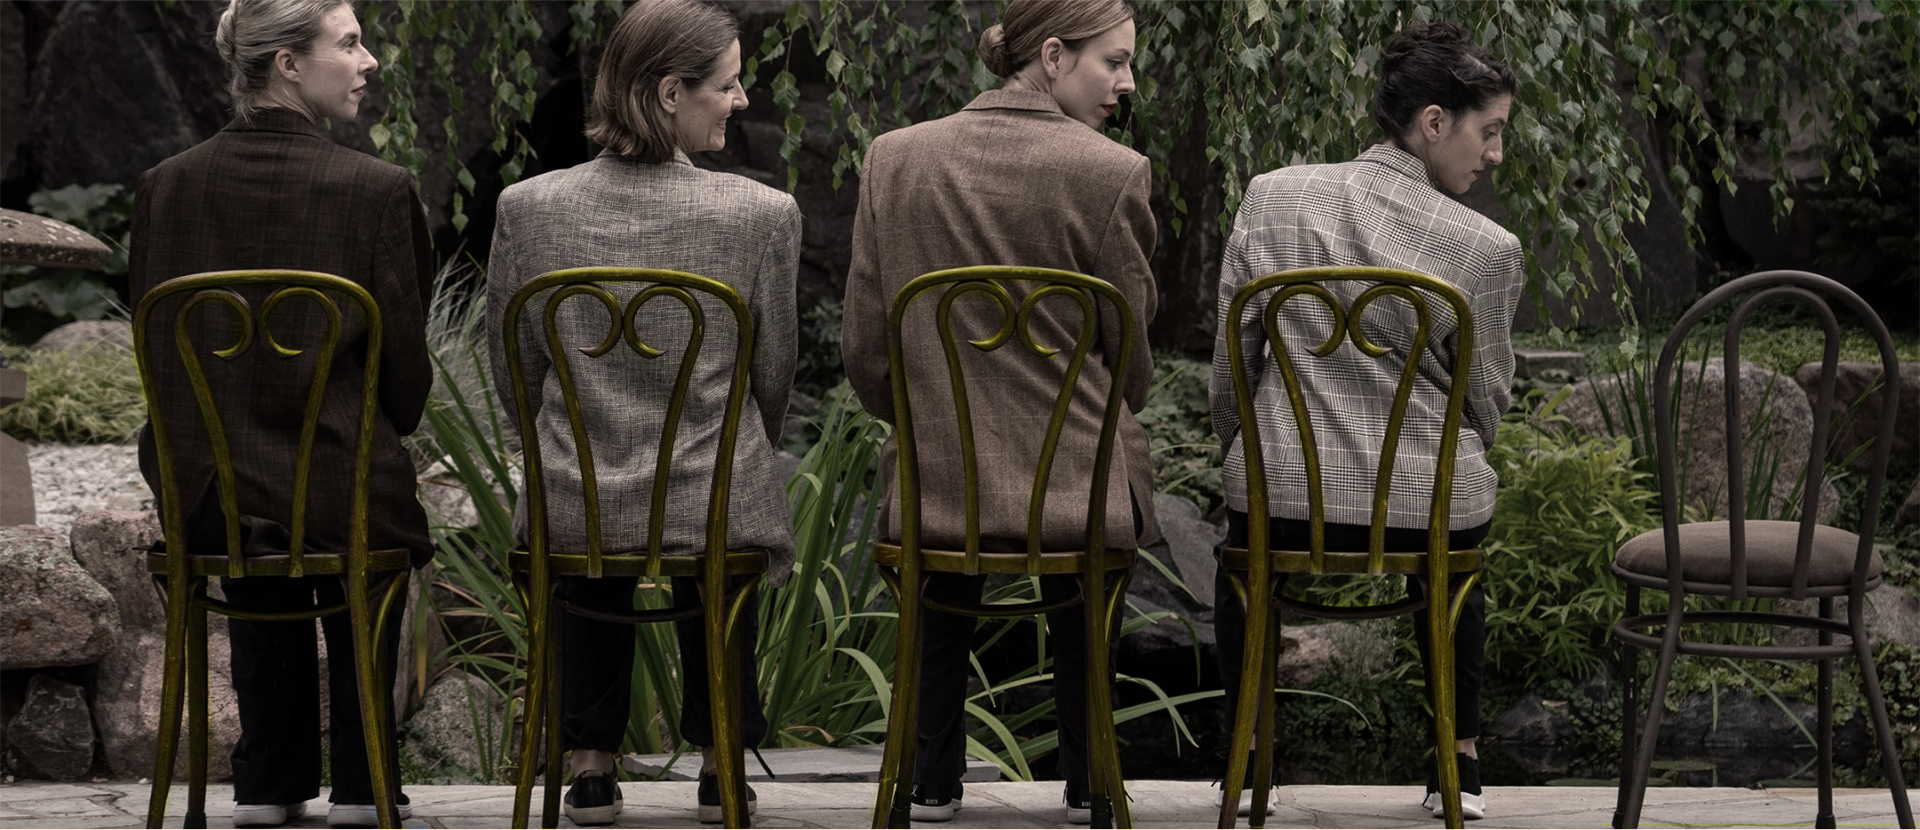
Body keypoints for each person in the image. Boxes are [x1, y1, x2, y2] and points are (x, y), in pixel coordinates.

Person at [838, 0, 1155, 823]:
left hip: (939, 490)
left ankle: (932, 782)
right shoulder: (1111, 171)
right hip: (1073, 500)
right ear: (1051, 56)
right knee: (1099, 495)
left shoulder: (894, 158)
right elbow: (1130, 358)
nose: (1127, 82)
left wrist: (925, 420)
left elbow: (867, 348)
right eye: (1112, 62)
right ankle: (1089, 781)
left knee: (945, 545)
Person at [485, 0, 799, 824]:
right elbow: (772, 381)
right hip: (709, 489)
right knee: (725, 499)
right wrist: (731, 439)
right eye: (726, 86)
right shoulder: (762, 216)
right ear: (669, 93)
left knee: (589, 514)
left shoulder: (528, 208)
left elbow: (512, 367)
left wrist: (551, 443)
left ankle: (589, 767)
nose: (738, 101)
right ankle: (719, 758)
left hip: (573, 491)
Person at [127, 0, 433, 827]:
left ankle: (269, 779)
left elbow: (158, 361)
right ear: (287, 65)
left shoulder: (165, 188)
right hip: (341, 494)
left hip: (210, 501)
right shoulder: (376, 191)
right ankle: (367, 781)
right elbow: (403, 376)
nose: (370, 61)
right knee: (347, 498)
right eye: (350, 42)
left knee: (256, 500)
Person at [1208, 20, 1523, 821]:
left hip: (1275, 496)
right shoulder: (1485, 247)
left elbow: (1231, 366)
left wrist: (1242, 450)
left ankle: (1246, 762)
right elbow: (1484, 399)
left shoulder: (1269, 196)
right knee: (1459, 543)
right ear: (1432, 122)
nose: (1494, 155)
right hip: (1424, 509)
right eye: (1489, 132)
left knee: (1242, 560)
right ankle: (1460, 767)